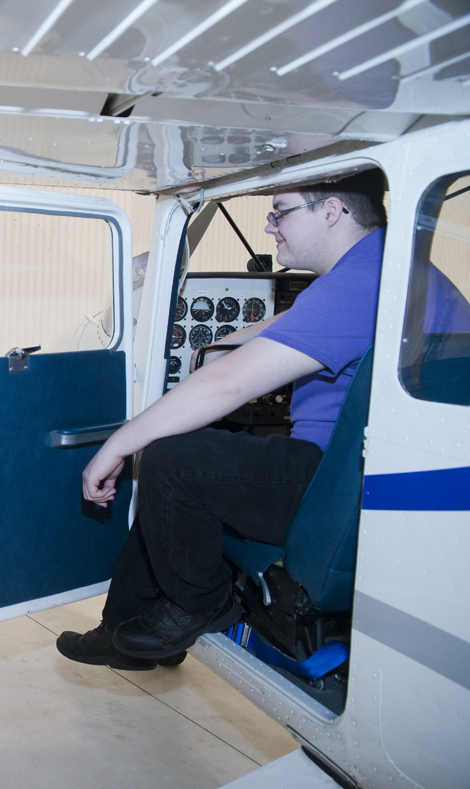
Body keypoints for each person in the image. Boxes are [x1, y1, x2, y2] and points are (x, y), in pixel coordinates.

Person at [56, 172, 390, 671]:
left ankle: (199, 604)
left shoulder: (359, 284)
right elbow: (275, 331)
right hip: (361, 471)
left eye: (280, 212)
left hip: (331, 482)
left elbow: (228, 384)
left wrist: (120, 443)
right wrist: (204, 353)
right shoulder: (388, 269)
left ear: (332, 211)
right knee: (198, 456)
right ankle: (128, 629)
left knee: (173, 457)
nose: (271, 227)